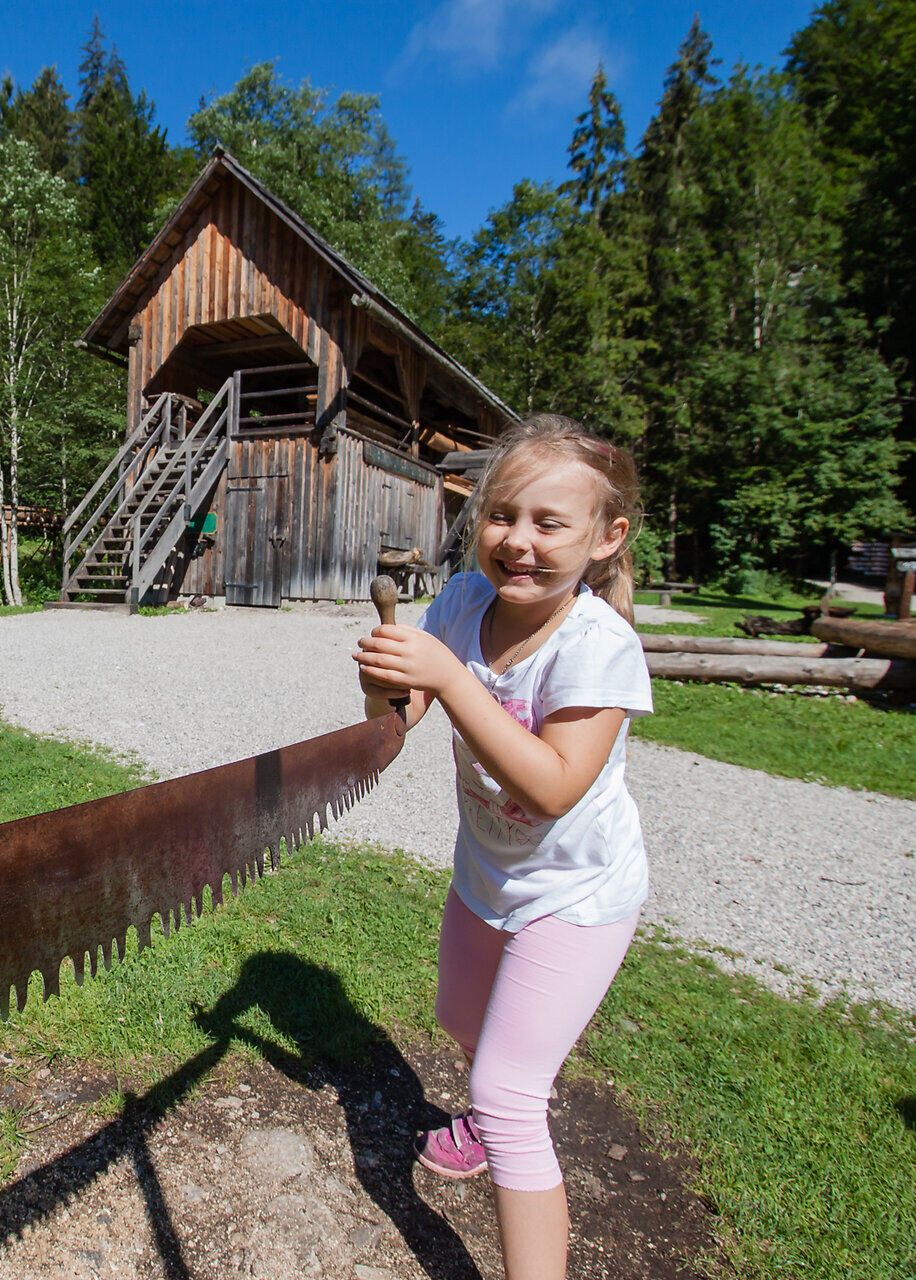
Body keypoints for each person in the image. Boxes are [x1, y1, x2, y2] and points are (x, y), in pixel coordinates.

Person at [352, 414, 649, 1280]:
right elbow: (401, 724)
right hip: (488, 875)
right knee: (459, 1022)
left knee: (510, 1096)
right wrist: (388, 691)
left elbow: (552, 785)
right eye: (500, 515)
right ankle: (491, 1112)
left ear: (605, 538)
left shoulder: (598, 648)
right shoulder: (461, 603)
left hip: (577, 896)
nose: (517, 541)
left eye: (548, 523)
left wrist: (445, 676)